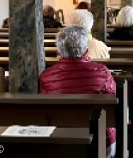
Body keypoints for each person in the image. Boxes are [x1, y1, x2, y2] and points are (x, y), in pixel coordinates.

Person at [39, 26, 116, 157]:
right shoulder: (102, 72)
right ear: (86, 51)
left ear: (59, 51)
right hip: (99, 139)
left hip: (58, 137)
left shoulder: (47, 76)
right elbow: (112, 98)